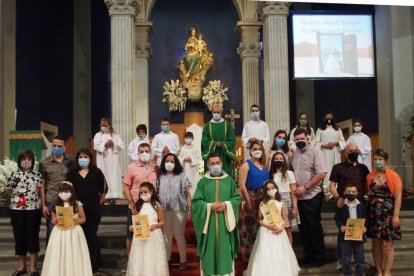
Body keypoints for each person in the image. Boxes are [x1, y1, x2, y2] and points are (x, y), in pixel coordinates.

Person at [192, 153, 240, 275]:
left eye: (218, 163)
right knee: (209, 252)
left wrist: (226, 205)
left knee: (225, 250)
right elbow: (196, 202)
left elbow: (236, 198)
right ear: (207, 165)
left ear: (222, 164)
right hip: (209, 225)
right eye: (212, 163)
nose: (215, 165)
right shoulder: (202, 182)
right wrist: (209, 206)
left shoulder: (229, 181)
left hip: (225, 223)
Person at [245, 180, 300, 276]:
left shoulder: (281, 202)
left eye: (272, 188)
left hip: (278, 230)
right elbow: (259, 219)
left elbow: (285, 219)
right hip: (266, 230)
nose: (271, 190)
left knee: (279, 253)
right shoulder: (263, 203)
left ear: (276, 189)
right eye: (268, 189)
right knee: (265, 252)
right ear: (265, 191)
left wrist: (281, 228)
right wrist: (268, 226)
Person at [329, 143, 370, 270]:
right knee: (343, 230)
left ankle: (360, 260)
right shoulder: (338, 167)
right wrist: (338, 198)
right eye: (351, 150)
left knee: (360, 229)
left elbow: (368, 184)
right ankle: (342, 260)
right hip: (344, 204)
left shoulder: (363, 168)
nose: (354, 152)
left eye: (355, 150)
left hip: (359, 205)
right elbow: (332, 186)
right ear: (345, 153)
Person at [66, 148, 107, 273]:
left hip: (94, 210)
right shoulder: (71, 173)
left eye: (85, 157)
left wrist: (99, 203)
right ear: (77, 159)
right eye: (80, 157)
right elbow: (68, 191)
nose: (83, 159)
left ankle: (95, 264)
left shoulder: (97, 171)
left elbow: (104, 189)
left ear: (90, 158)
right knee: (79, 236)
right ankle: (80, 263)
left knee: (91, 235)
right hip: (77, 210)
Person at [291, 128, 327, 267]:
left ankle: (319, 256)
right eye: (297, 140)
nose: (300, 141)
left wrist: (305, 187)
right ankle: (308, 254)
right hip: (298, 197)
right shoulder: (296, 154)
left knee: (313, 226)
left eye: (302, 139)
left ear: (308, 139)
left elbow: (321, 173)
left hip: (312, 194)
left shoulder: (316, 152)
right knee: (303, 227)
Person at [41, 181, 92, 276]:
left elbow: (83, 218)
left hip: (73, 231)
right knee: (59, 253)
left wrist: (78, 220)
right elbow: (53, 219)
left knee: (74, 253)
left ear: (71, 191)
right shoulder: (56, 204)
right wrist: (55, 220)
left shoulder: (77, 204)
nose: (64, 193)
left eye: (66, 191)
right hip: (60, 231)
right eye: (62, 191)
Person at [366, 148, 402, 276]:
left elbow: (398, 197)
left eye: (380, 159)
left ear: (386, 160)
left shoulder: (393, 175)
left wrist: (396, 216)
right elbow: (369, 193)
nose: (377, 161)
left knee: (387, 244)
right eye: (375, 159)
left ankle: (387, 272)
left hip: (388, 214)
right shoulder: (370, 176)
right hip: (373, 214)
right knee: (375, 242)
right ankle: (379, 271)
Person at [7, 150, 42, 276]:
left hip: (33, 209)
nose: (26, 161)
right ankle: (22, 266)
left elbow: (39, 191)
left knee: (33, 236)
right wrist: (12, 193)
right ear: (19, 160)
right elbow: (9, 192)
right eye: (23, 158)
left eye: (29, 159)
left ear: (32, 161)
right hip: (17, 210)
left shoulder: (37, 175)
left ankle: (33, 267)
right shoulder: (13, 174)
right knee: (19, 236)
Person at [126, 182, 169, 276]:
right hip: (141, 235)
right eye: (141, 193)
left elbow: (162, 222)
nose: (143, 194)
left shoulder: (157, 205)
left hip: (154, 234)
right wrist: (133, 227)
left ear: (152, 191)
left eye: (145, 192)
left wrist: (155, 226)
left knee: (152, 255)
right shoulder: (138, 205)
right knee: (140, 256)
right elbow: (137, 220)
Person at [123, 143, 157, 258]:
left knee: (151, 234)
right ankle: (130, 261)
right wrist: (132, 204)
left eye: (147, 151)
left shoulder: (155, 168)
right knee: (131, 234)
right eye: (142, 151)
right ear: (138, 153)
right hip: (136, 207)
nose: (144, 153)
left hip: (151, 207)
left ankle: (147, 259)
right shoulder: (131, 167)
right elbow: (126, 187)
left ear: (150, 152)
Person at [158, 153, 191, 270]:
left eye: (172, 161)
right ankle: (166, 260)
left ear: (176, 163)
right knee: (166, 236)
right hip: (163, 210)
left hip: (179, 209)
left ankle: (183, 261)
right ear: (163, 162)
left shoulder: (181, 175)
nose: (169, 163)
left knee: (179, 235)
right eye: (167, 161)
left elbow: (188, 193)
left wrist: (189, 208)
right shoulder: (160, 176)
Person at [39, 135, 75, 245]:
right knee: (52, 230)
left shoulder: (72, 161)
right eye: (54, 145)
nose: (56, 148)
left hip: (69, 201)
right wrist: (43, 205)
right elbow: (42, 186)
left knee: (69, 230)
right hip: (52, 200)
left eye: (59, 146)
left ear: (64, 147)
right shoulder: (44, 163)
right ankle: (51, 259)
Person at [238, 141, 269, 261]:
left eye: (259, 148)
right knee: (250, 229)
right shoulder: (246, 165)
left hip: (264, 199)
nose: (257, 151)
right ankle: (249, 258)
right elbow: (241, 184)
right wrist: (248, 200)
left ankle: (263, 258)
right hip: (250, 197)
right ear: (250, 150)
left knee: (264, 227)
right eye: (255, 149)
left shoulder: (265, 164)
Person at [334, 183, 367, 276]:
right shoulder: (341, 205)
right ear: (344, 193)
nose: (351, 193)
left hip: (358, 236)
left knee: (360, 259)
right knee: (346, 260)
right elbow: (337, 218)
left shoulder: (361, 205)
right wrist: (341, 226)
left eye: (353, 192)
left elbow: (365, 218)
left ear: (357, 193)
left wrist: (365, 227)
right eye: (348, 192)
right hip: (345, 237)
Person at [269, 152, 300, 245]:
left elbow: (294, 192)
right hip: (274, 201)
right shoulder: (270, 174)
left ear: (284, 161)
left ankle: (289, 254)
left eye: (281, 159)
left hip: (287, 201)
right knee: (275, 228)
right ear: (273, 161)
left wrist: (294, 207)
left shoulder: (289, 173)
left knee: (288, 230)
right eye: (276, 159)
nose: (279, 160)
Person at [315, 111, 345, 200]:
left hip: (335, 152)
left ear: (333, 118)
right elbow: (316, 143)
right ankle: (326, 191)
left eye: (330, 117)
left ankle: (335, 190)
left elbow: (343, 142)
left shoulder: (338, 129)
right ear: (324, 119)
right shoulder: (320, 129)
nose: (329, 119)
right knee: (326, 170)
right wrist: (324, 145)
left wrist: (336, 143)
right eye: (327, 117)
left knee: (335, 169)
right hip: (324, 152)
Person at [93, 117, 124, 202]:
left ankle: (114, 197)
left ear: (109, 125)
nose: (103, 127)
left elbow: (121, 145)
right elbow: (95, 146)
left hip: (113, 161)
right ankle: (104, 197)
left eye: (105, 125)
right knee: (103, 176)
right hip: (102, 160)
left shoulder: (115, 135)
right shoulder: (98, 135)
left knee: (114, 177)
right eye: (102, 125)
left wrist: (113, 144)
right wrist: (104, 144)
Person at [201, 104, 236, 178]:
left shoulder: (228, 125)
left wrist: (222, 144)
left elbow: (232, 139)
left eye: (218, 112)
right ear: (212, 113)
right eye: (214, 112)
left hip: (225, 155)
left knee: (225, 176)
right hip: (211, 154)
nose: (216, 114)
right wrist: (214, 144)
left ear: (221, 113)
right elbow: (204, 141)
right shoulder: (207, 126)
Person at [178, 131, 201, 196]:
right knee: (186, 184)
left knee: (194, 184)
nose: (188, 139)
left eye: (190, 137)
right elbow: (179, 158)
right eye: (187, 137)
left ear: (192, 139)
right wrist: (184, 159)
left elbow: (199, 158)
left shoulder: (196, 148)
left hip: (194, 169)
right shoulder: (182, 148)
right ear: (184, 139)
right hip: (185, 168)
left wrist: (192, 159)